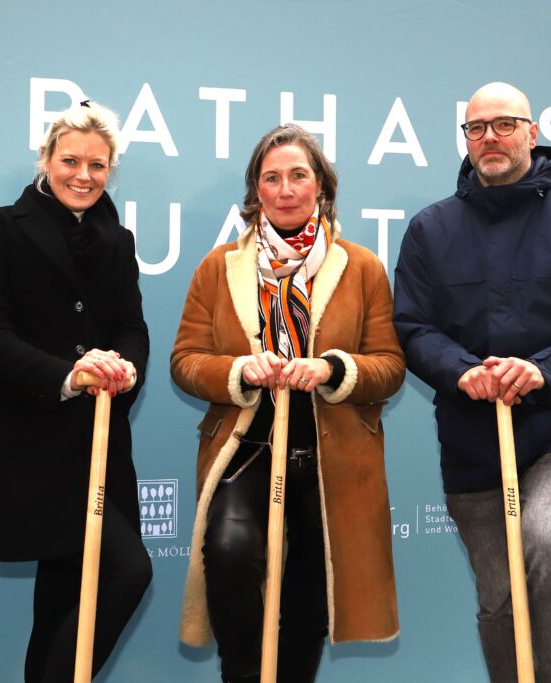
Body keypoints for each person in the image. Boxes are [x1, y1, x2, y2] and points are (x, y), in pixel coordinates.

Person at [392, 82, 551, 682]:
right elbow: (413, 327)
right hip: (472, 437)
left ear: (532, 133)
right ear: (465, 139)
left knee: (544, 537)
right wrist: (462, 371)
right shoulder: (430, 228)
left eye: (504, 125)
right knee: (499, 592)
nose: (490, 138)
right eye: (477, 128)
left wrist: (542, 369)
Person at [171, 123, 406, 683]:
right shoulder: (218, 267)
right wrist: (239, 370)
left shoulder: (362, 267)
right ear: (256, 190)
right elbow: (186, 361)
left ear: (321, 185)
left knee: (308, 602)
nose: (285, 189)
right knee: (228, 555)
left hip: (333, 463)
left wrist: (332, 369)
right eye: (271, 178)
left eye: (298, 175)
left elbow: (390, 367)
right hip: (247, 454)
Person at [0, 100, 151, 683]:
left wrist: (125, 368)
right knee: (126, 571)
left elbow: (131, 327)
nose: (83, 176)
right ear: (45, 158)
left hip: (99, 443)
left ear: (111, 169)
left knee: (64, 599)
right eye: (70, 160)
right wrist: (69, 374)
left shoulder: (118, 239)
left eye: (98, 165)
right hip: (26, 443)